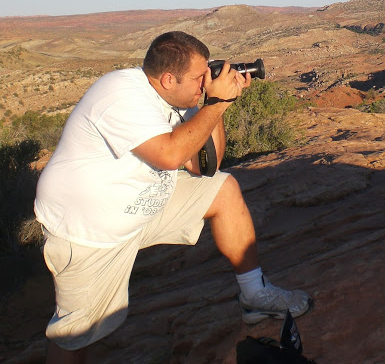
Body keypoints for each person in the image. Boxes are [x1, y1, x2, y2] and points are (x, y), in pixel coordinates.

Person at [35, 31, 311, 363]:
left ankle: (255, 295)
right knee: (76, 335)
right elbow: (168, 156)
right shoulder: (120, 95)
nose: (204, 83)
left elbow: (206, 166)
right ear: (168, 78)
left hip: (142, 205)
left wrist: (216, 108)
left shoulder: (181, 99)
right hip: (91, 232)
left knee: (223, 189)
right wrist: (216, 102)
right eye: (199, 78)